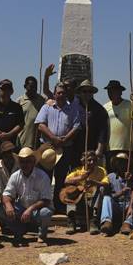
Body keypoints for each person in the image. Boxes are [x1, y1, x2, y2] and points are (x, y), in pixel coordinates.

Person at [35, 82, 82, 211]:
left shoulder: (73, 109)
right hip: (48, 147)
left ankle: (59, 206)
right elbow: (40, 125)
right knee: (45, 178)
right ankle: (44, 205)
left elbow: (77, 126)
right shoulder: (47, 107)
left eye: (63, 93)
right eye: (58, 92)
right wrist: (54, 138)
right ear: (54, 94)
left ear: (66, 95)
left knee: (61, 178)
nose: (60, 95)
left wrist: (65, 139)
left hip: (65, 148)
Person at [1, 147, 54, 245]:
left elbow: (46, 200)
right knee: (2, 208)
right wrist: (8, 205)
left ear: (34, 162)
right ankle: (19, 232)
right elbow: (6, 194)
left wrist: (30, 209)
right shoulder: (15, 176)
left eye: (28, 161)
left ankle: (42, 235)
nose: (25, 164)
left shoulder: (42, 176)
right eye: (22, 161)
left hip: (37, 211)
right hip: (22, 210)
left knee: (45, 212)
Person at [63, 151, 110, 235]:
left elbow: (106, 183)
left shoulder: (101, 170)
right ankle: (71, 221)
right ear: (83, 161)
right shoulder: (77, 171)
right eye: (89, 160)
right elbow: (66, 181)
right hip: (80, 199)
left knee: (101, 189)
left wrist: (94, 182)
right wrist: (81, 178)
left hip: (93, 199)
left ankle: (94, 221)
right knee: (69, 189)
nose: (92, 162)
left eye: (94, 160)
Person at [103, 80, 133, 166]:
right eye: (108, 91)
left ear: (120, 92)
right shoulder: (105, 107)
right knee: (112, 176)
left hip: (127, 147)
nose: (110, 93)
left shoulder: (129, 104)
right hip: (110, 148)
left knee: (128, 174)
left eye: (113, 91)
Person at [0, 79, 24, 159]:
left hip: (11, 143)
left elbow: (20, 124)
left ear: (12, 91)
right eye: (3, 89)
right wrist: (0, 134)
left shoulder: (17, 107)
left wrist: (9, 134)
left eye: (8, 89)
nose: (5, 91)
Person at [98, 152, 133, 235]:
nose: (122, 164)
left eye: (124, 162)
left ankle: (127, 223)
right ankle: (107, 222)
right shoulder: (110, 177)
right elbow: (106, 195)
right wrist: (121, 193)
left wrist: (131, 182)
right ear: (116, 164)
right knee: (107, 198)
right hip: (116, 206)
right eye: (119, 162)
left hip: (129, 207)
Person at [75, 80, 109, 161]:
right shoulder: (74, 106)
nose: (87, 94)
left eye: (90, 91)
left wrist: (99, 149)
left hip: (92, 148)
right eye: (84, 91)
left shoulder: (99, 109)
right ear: (80, 92)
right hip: (76, 147)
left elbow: (103, 130)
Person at [17, 76, 46, 150]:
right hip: (21, 141)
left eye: (35, 87)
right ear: (25, 86)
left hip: (37, 142)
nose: (34, 89)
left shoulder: (42, 100)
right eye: (31, 87)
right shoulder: (19, 101)